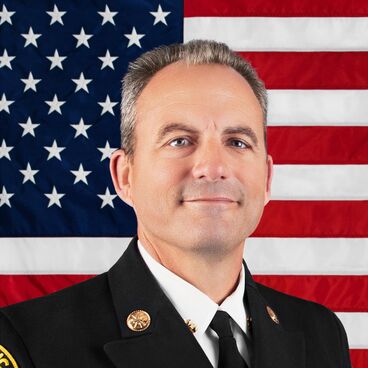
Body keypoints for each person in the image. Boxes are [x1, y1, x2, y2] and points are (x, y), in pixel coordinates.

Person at [0, 40, 351, 368]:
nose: (214, 167)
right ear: (125, 176)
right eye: (179, 140)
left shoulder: (320, 334)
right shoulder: (31, 343)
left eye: (238, 142)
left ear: (267, 178)